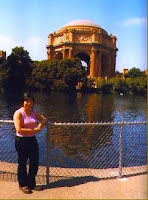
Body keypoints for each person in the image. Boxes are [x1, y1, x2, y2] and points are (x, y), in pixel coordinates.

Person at [13, 92, 47, 194]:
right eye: (26, 101)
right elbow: (19, 129)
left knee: (34, 163)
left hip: (32, 140)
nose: (28, 103)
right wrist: (35, 131)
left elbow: (43, 119)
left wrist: (40, 126)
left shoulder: (33, 113)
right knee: (22, 163)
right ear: (23, 102)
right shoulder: (19, 113)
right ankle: (23, 184)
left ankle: (31, 183)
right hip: (21, 141)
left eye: (31, 101)